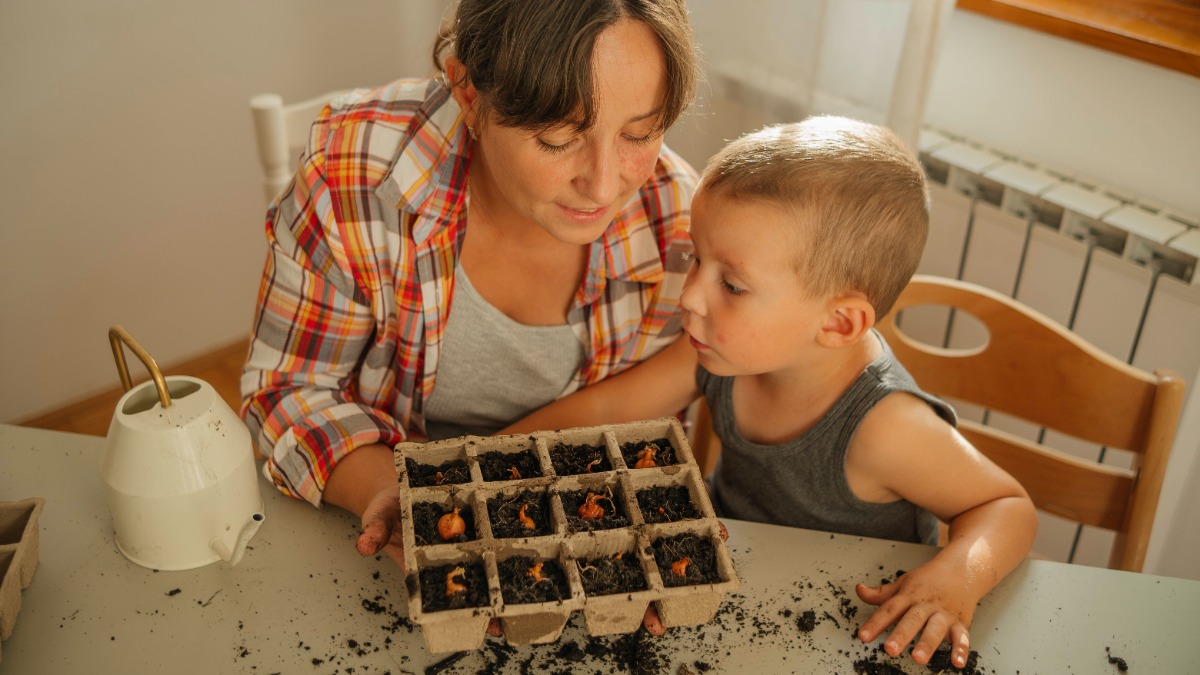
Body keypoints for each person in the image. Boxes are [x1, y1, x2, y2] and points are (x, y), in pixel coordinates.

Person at [507, 116, 1039, 667]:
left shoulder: (885, 427)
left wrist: (959, 574)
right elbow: (605, 409)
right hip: (731, 602)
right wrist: (459, 461)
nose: (689, 298)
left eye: (732, 285)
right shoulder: (716, 350)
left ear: (837, 325)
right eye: (696, 260)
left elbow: (1005, 505)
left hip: (846, 634)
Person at [241, 0, 699, 572]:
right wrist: (386, 493)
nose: (604, 186)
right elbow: (289, 389)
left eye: (640, 133)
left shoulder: (676, 216)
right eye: (557, 139)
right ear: (469, 94)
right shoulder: (355, 175)